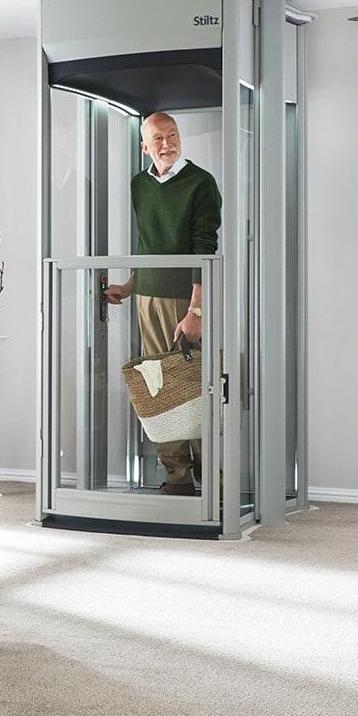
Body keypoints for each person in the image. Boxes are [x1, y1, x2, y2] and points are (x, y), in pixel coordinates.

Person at [103, 112, 222, 495]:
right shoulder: (140, 184)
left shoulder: (201, 183)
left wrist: (196, 311)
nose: (167, 144)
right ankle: (177, 476)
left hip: (185, 300)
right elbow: (148, 247)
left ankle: (213, 474)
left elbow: (205, 249)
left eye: (172, 135)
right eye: (158, 138)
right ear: (145, 146)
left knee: (195, 384)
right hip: (148, 299)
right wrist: (130, 285)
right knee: (157, 387)